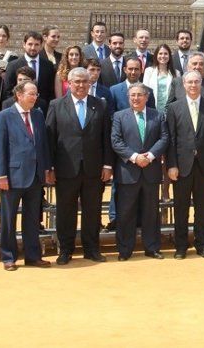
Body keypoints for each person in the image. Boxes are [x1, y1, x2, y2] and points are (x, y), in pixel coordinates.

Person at [46, 68, 113, 264]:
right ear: (69, 82)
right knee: (65, 211)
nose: (81, 85)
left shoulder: (100, 104)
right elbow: (50, 139)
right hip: (66, 169)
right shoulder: (56, 105)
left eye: (85, 81)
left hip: (94, 168)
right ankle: (65, 250)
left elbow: (106, 138)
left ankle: (91, 249)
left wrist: (107, 165)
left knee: (92, 211)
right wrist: (49, 167)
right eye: (77, 81)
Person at [0, 81, 52, 271]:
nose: (35, 97)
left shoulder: (38, 115)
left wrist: (46, 168)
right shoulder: (5, 116)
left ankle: (33, 256)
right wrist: (1, 176)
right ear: (19, 95)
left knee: (33, 219)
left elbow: (43, 145)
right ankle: (8, 257)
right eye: (31, 94)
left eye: (36, 94)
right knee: (8, 219)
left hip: (34, 176)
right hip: (12, 175)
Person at [166, 71, 204, 259]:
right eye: (189, 82)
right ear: (183, 84)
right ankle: (181, 246)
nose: (193, 85)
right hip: (182, 166)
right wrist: (172, 165)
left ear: (202, 84)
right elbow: (171, 139)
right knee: (181, 208)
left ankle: (202, 244)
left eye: (196, 82)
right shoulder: (174, 108)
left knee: (203, 209)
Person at [111, 83, 169, 261]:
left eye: (139, 95)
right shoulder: (119, 116)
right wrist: (136, 157)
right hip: (128, 172)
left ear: (146, 97)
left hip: (150, 172)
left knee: (151, 212)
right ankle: (125, 249)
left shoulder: (158, 116)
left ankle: (152, 247)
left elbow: (164, 138)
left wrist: (150, 156)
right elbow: (116, 141)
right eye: (132, 95)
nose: (135, 98)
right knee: (125, 212)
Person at [3, 31, 55, 106]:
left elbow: (51, 91)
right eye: (30, 44)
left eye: (36, 44)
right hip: (19, 108)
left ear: (41, 46)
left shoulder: (48, 65)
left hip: (42, 109)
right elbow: (8, 91)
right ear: (24, 45)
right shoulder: (13, 65)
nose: (33, 48)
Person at [144, 44, 180, 114]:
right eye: (160, 53)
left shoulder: (176, 73)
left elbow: (177, 94)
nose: (163, 56)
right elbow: (145, 91)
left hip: (170, 110)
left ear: (169, 56)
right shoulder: (149, 71)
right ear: (156, 55)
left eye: (166, 54)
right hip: (152, 109)